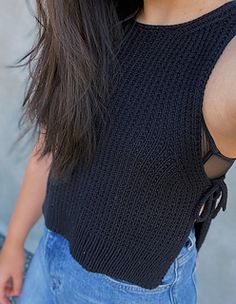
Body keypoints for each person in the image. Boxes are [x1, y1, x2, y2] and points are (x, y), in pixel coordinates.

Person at [0, 0, 236, 303]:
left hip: (128, 293)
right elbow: (51, 146)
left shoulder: (226, 60)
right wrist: (14, 243)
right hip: (49, 257)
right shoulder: (95, 19)